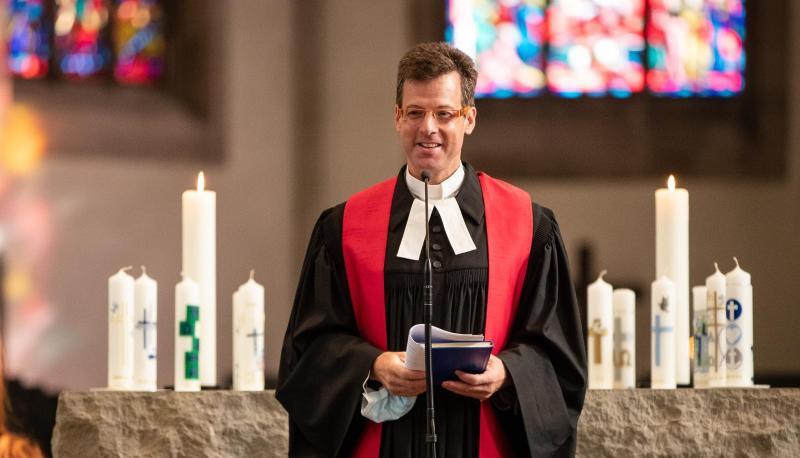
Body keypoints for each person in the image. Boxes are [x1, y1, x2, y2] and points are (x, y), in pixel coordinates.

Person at [277, 42, 586, 457]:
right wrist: (372, 365)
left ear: (469, 118)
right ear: (397, 118)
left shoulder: (529, 227)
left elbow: (558, 357)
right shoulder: (344, 228)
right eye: (415, 113)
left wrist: (506, 372)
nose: (428, 128)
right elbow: (308, 352)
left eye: (444, 113)